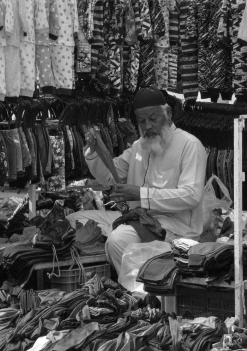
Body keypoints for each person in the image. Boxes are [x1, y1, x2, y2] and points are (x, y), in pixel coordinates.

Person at [68, 87, 208, 273]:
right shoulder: (139, 146)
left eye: (153, 118)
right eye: (142, 121)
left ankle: (139, 293)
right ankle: (138, 286)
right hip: (137, 219)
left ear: (168, 113)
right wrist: (92, 150)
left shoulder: (190, 145)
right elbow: (111, 176)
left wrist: (140, 194)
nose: (147, 126)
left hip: (174, 227)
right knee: (73, 219)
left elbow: (191, 196)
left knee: (118, 240)